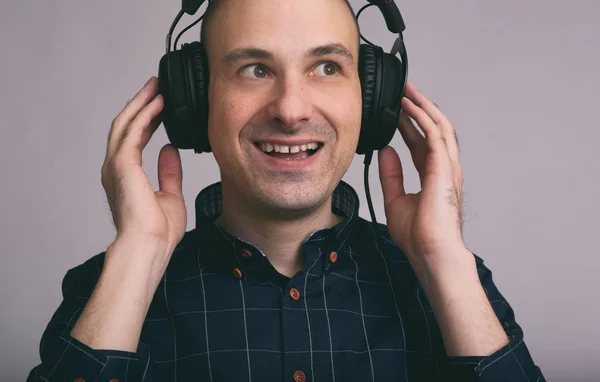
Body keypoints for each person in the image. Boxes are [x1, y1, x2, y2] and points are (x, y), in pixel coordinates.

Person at [27, 0, 546, 380]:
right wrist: (137, 257)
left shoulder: (452, 280)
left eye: (326, 67)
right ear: (194, 98)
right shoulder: (108, 288)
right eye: (255, 69)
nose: (291, 109)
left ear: (373, 99)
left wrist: (443, 258)